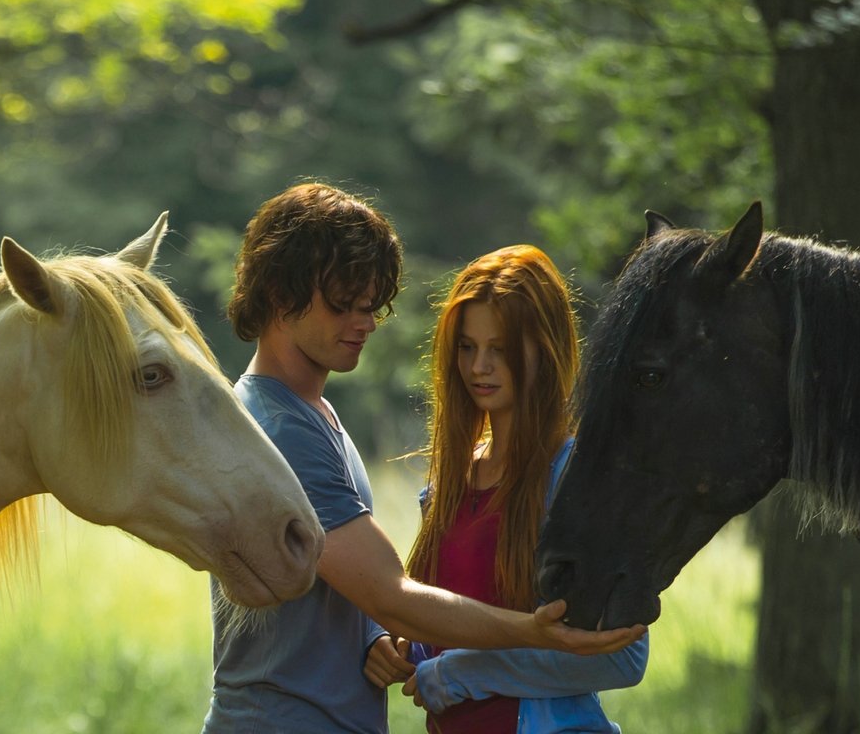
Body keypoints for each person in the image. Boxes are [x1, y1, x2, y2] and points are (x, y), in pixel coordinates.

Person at [204, 185, 645, 734]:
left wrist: (398, 650)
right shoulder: (285, 431)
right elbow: (395, 599)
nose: (365, 321)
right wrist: (501, 640)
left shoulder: (320, 419)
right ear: (278, 294)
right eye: (344, 303)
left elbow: (619, 651)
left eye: (371, 304)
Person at [378, 244, 648, 733]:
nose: (479, 366)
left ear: (544, 348)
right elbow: (455, 623)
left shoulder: (574, 477)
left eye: (499, 348)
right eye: (467, 346)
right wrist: (404, 647)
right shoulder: (449, 484)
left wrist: (467, 672)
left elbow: (624, 656)